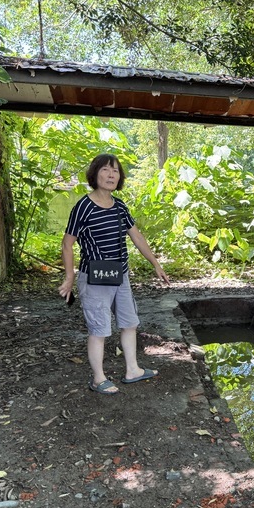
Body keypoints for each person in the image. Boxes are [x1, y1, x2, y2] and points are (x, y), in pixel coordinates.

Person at [58, 153, 170, 394]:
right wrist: (69, 277)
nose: (111, 175)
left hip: (120, 274)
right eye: (106, 170)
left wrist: (155, 264)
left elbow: (136, 236)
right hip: (95, 276)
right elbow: (67, 244)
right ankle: (98, 378)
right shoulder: (84, 206)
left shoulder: (120, 206)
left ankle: (133, 370)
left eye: (116, 171)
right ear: (95, 173)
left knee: (129, 323)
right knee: (99, 329)